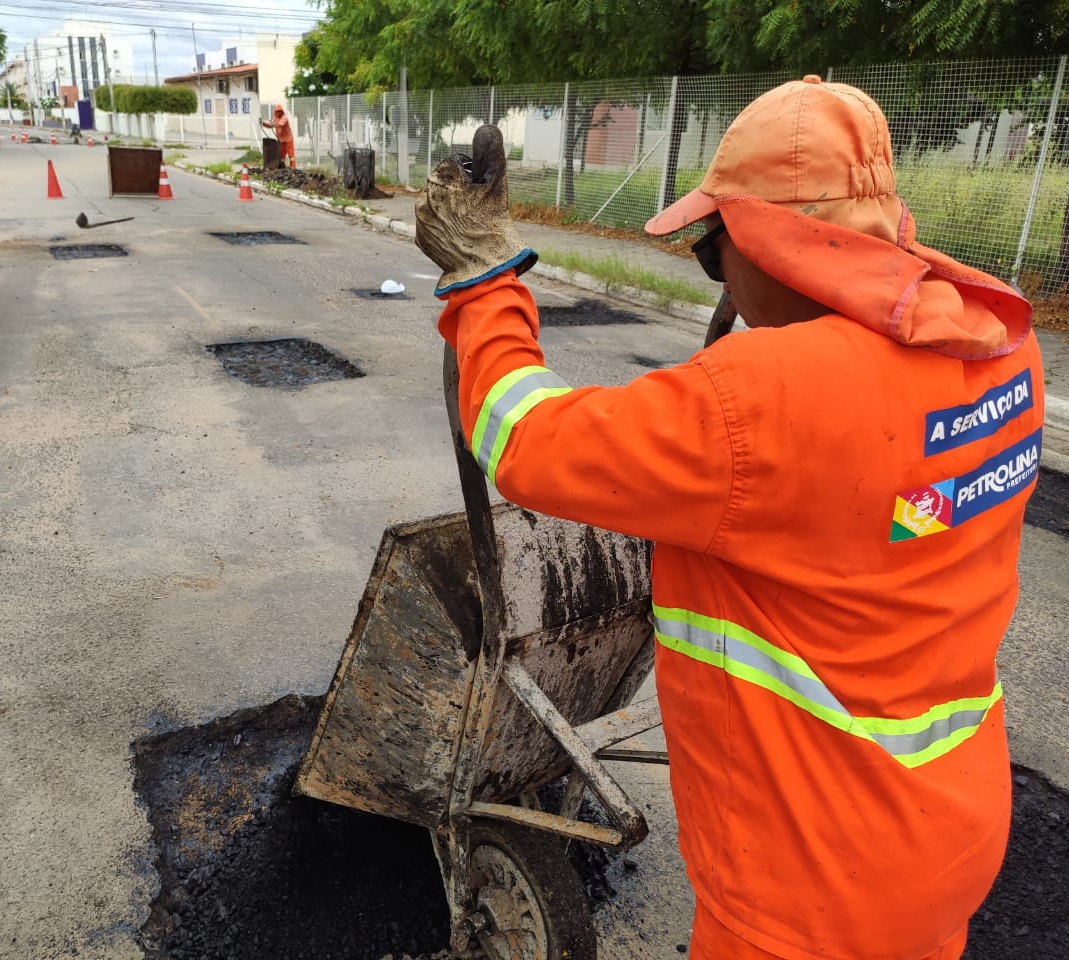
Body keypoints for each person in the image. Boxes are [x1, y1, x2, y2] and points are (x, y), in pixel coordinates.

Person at [415, 76, 1045, 960]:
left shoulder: (758, 406)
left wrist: (481, 277)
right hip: (949, 843)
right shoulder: (1003, 352)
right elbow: (867, 493)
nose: (720, 275)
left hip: (807, 896)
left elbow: (523, 439)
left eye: (713, 250)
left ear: (768, 244)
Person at [260, 103, 295, 169]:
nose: (279, 113)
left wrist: (273, 124)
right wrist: (263, 123)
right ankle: (282, 168)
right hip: (281, 140)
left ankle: (293, 168)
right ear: (275, 112)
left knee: (291, 155)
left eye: (280, 111)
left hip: (288, 140)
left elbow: (280, 124)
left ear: (282, 112)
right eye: (277, 111)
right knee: (282, 156)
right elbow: (271, 125)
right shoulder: (275, 118)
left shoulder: (284, 118)